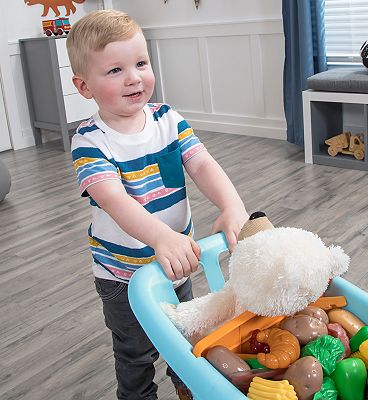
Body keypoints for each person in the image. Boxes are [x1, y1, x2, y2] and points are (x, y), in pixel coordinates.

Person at [67, 9, 249, 400]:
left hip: (178, 263)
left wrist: (232, 205)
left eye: (140, 63)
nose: (134, 77)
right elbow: (113, 199)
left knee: (185, 342)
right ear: (84, 86)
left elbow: (202, 164)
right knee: (136, 355)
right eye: (115, 70)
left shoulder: (168, 119)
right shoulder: (90, 142)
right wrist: (161, 237)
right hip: (124, 276)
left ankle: (191, 391)